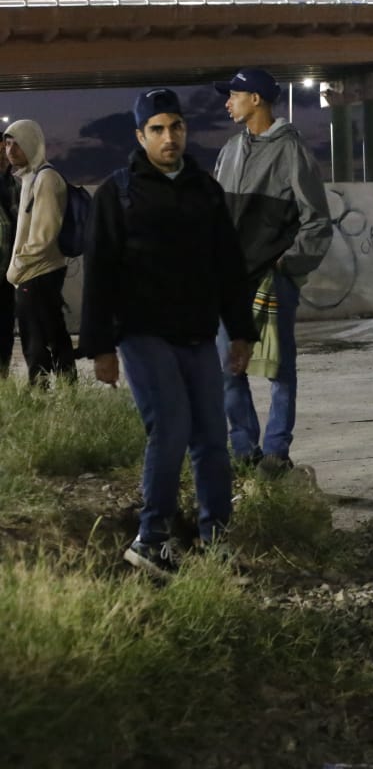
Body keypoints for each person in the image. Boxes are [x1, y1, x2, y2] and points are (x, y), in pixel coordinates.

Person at [80, 88, 256, 575]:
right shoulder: (118, 193)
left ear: (185, 130)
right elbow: (100, 272)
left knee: (211, 439)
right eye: (157, 129)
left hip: (198, 335)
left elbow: (228, 266)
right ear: (141, 136)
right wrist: (99, 347)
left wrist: (240, 332)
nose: (169, 137)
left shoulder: (205, 190)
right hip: (142, 334)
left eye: (176, 126)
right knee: (171, 428)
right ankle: (151, 537)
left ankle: (215, 538)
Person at [213, 68, 333, 476]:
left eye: (234, 95)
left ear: (256, 99)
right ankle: (245, 450)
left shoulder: (292, 152)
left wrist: (286, 267)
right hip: (228, 282)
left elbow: (317, 221)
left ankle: (276, 452)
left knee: (280, 369)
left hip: (270, 280)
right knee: (228, 367)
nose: (228, 103)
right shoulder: (229, 150)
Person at [3, 120, 76, 385]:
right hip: (36, 272)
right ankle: (68, 390)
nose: (10, 150)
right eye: (8, 143)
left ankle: (40, 393)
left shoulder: (46, 179)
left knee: (36, 339)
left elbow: (43, 237)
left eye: (17, 144)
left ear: (32, 144)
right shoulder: (30, 177)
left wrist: (17, 268)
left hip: (37, 273)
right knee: (54, 334)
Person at [0, 143, 18, 377]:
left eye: (3, 151)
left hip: (10, 271)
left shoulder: (15, 184)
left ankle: (3, 378)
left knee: (5, 329)